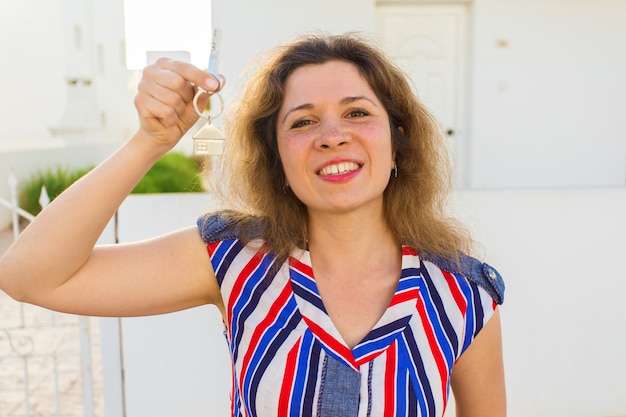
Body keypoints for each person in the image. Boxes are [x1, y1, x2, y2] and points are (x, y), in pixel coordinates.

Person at [0, 33, 506, 416]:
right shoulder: (236, 260)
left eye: (356, 112)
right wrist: (149, 141)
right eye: (302, 121)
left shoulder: (463, 292)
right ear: (276, 157)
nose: (332, 136)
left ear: (398, 140)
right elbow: (28, 276)